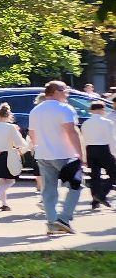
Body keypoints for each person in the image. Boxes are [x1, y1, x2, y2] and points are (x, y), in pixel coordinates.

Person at [27, 79, 86, 235]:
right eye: (64, 90)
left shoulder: (36, 111)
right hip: (65, 154)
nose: (67, 93)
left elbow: (32, 134)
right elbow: (71, 132)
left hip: (43, 155)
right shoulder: (64, 109)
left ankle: (52, 223)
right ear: (55, 92)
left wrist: (38, 148)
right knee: (76, 185)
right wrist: (80, 154)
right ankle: (64, 218)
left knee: (49, 191)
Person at [83, 99, 115, 211]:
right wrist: (114, 153)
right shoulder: (107, 122)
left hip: (90, 149)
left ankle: (95, 201)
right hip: (104, 149)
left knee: (95, 176)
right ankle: (101, 195)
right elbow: (111, 139)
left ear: (91, 111)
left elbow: (84, 139)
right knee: (114, 174)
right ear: (102, 110)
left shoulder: (86, 123)